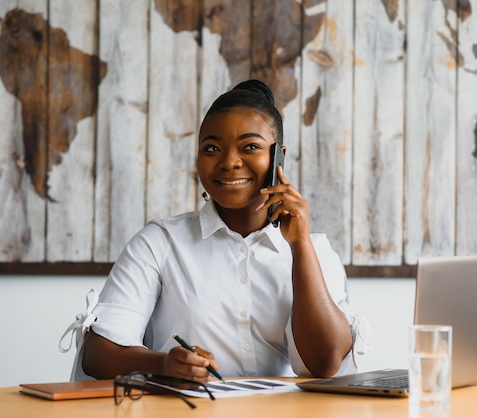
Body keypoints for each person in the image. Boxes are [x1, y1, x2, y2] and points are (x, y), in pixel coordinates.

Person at [80, 80, 370, 382]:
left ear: (278, 156)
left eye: (251, 147)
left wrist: (300, 247)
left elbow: (324, 363)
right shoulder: (160, 242)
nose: (229, 162)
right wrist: (164, 364)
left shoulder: (315, 249)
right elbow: (98, 354)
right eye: (212, 148)